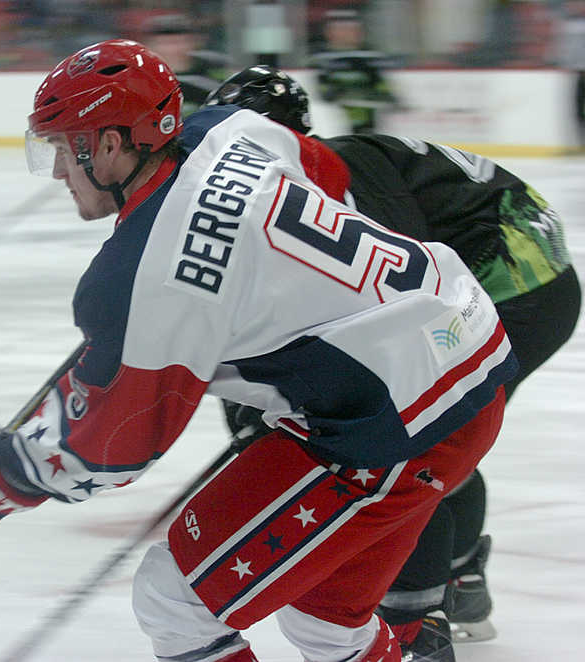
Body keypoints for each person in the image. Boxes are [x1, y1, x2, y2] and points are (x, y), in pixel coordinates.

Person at [0, 39, 517, 662]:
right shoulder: (231, 128)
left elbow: (115, 449)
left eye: (66, 150)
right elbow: (330, 179)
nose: (60, 173)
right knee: (328, 624)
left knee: (174, 603)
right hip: (463, 347)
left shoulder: (140, 278)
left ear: (111, 145)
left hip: (398, 416)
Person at [204, 64, 581, 660]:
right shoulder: (315, 175)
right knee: (438, 430)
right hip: (523, 273)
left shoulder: (339, 173)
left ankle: (421, 621)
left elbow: (395, 292)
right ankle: (459, 579)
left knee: (412, 436)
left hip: (519, 280)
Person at [312, 9, 398, 134]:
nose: (348, 34)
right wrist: (330, 93)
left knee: (365, 133)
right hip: (338, 115)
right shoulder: (323, 57)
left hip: (365, 112)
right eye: (342, 30)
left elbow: (379, 81)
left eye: (352, 30)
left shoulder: (367, 55)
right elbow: (322, 85)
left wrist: (387, 95)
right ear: (330, 33)